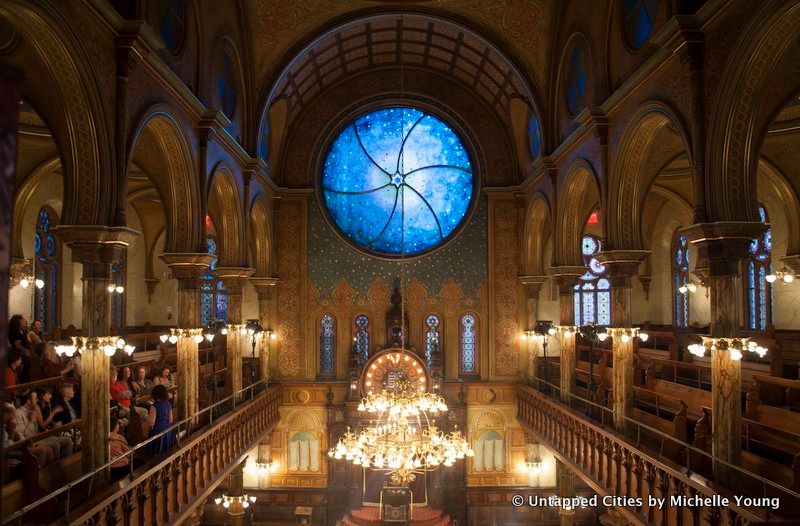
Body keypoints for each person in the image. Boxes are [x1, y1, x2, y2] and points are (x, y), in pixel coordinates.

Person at [15, 390, 72, 461]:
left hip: (37, 437)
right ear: (28, 401)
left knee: (67, 440)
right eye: (35, 398)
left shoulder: (32, 410)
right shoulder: (18, 413)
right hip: (30, 441)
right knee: (55, 446)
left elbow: (36, 430)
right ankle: (56, 469)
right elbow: (23, 436)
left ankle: (67, 463)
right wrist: (31, 422)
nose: (38, 400)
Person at [146, 384, 173, 455]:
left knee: (158, 452)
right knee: (167, 451)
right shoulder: (168, 404)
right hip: (168, 429)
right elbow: (170, 420)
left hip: (158, 430)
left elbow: (151, 422)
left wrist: (147, 419)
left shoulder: (155, 406)